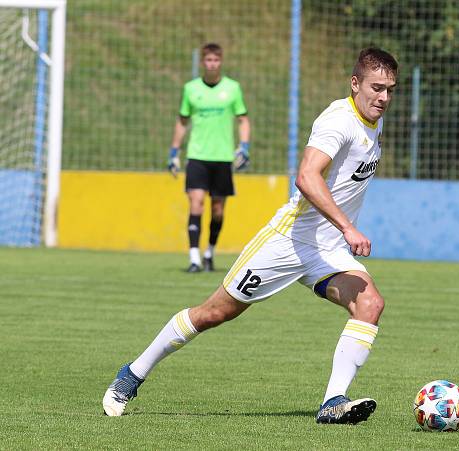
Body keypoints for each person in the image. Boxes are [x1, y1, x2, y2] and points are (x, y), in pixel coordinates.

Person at [103, 48, 398, 425]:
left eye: (390, 90)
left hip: (326, 250)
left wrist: (340, 233)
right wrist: (348, 226)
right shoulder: (338, 120)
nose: (384, 98)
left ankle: (332, 402)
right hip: (288, 241)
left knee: (370, 304)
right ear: (355, 84)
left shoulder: (374, 120)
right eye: (377, 88)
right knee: (214, 313)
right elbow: (307, 177)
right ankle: (132, 374)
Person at [168, 42, 251, 273]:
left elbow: (243, 119)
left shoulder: (232, 88)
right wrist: (174, 151)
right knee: (196, 203)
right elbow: (182, 121)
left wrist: (243, 146)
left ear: (220, 62)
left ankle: (209, 253)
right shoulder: (191, 89)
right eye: (208, 60)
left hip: (223, 157)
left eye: (216, 60)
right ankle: (194, 258)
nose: (212, 64)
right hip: (197, 155)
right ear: (202, 62)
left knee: (218, 210)